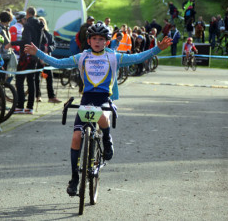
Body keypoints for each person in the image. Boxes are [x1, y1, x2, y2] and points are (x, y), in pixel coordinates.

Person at [24, 21, 172, 196]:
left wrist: (157, 49)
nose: (97, 41)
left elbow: (137, 58)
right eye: (94, 38)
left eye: (101, 39)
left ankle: (107, 140)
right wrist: (38, 53)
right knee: (76, 136)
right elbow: (58, 63)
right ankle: (74, 179)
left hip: (103, 98)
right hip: (87, 99)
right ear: (89, 40)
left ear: (107, 42)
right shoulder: (82, 57)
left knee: (101, 115)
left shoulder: (113, 56)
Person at [10, 7, 46, 114]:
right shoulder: (40, 25)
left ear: (27, 14)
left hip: (26, 56)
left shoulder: (28, 24)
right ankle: (30, 107)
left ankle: (20, 105)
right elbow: (44, 41)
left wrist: (13, 43)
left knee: (19, 80)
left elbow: (26, 41)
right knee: (32, 80)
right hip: (35, 55)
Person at [37, 16, 61, 103]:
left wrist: (48, 49)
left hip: (47, 59)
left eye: (42, 22)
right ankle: (38, 95)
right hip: (37, 59)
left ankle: (51, 97)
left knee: (49, 78)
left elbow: (53, 45)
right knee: (37, 79)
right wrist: (42, 48)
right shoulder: (35, 34)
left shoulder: (48, 34)